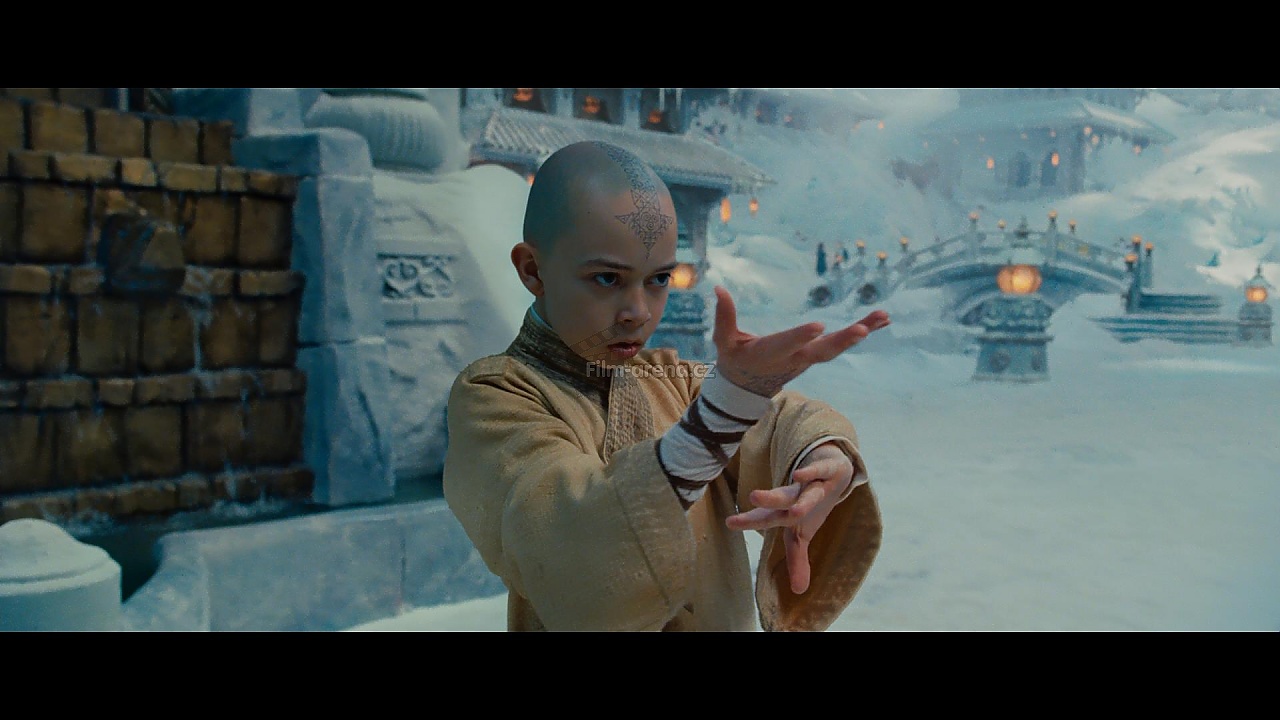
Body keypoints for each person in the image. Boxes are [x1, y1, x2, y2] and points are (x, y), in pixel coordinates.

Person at [442, 141, 891, 631]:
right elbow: (558, 536)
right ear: (533, 269)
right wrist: (721, 415)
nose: (638, 312)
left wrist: (821, 461)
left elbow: (781, 420)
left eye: (658, 279)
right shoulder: (494, 396)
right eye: (607, 279)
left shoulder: (668, 379)